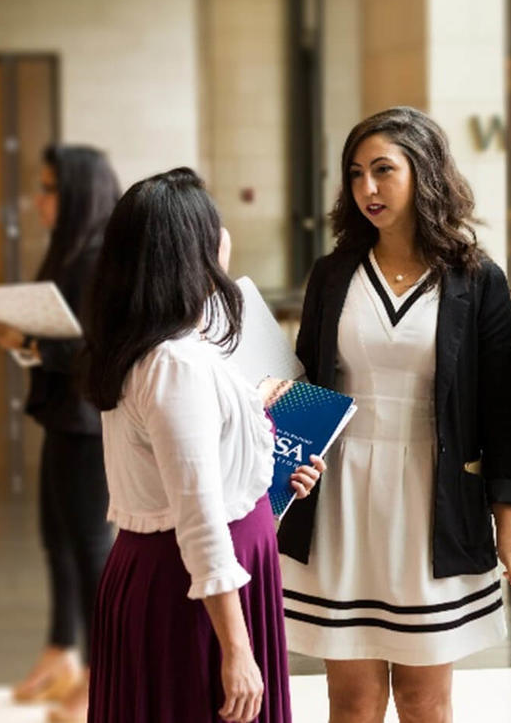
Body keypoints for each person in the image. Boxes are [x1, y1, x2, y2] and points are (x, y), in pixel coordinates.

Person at [277, 106, 511, 723]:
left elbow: (502, 411)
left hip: (434, 498)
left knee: (425, 700)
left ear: (424, 173)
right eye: (357, 173)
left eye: (384, 170)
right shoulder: (333, 274)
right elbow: (302, 386)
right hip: (339, 496)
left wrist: (506, 531)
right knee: (352, 699)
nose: (368, 187)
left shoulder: (477, 280)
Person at [83, 167, 320, 723]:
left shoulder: (156, 346)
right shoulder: (174, 363)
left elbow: (190, 478)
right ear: (194, 248)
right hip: (196, 589)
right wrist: (237, 650)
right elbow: (198, 517)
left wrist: (265, 474)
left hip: (196, 575)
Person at [0, 144, 119, 723]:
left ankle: (103, 677)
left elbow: (86, 348)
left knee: (91, 550)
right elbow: (56, 334)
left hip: (90, 425)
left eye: (48, 189)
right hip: (62, 416)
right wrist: (4, 328)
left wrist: (17, 340)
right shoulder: (70, 249)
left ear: (76, 194)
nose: (38, 201)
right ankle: (61, 653)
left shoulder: (101, 255)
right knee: (58, 540)